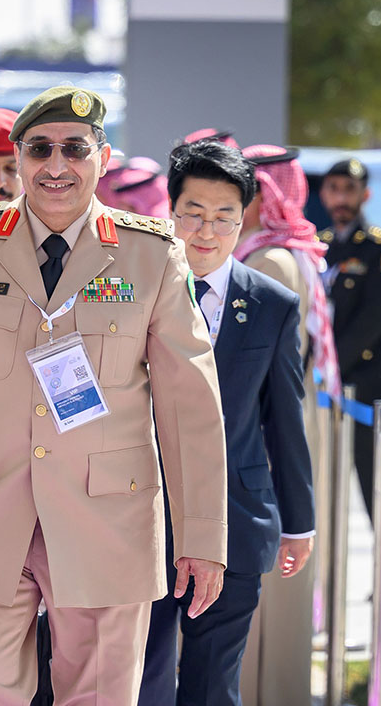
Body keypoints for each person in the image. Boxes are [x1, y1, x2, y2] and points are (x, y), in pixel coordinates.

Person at [0, 85, 228, 704]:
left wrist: (201, 537)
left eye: (75, 148)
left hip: (107, 520)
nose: (57, 166)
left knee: (97, 695)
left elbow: (189, 407)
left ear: (104, 155)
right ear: (19, 158)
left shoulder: (152, 254)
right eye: (40, 149)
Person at [138, 140, 314, 706]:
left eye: (224, 219)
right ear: (171, 211)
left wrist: (299, 523)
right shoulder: (129, 291)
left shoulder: (272, 304)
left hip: (237, 519)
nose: (206, 232)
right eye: (193, 214)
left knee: (214, 684)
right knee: (144, 675)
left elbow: (284, 420)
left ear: (245, 219)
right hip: (142, 516)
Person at [235, 144, 339, 706]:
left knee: (272, 568)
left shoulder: (269, 262)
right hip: (295, 417)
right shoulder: (292, 252)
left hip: (272, 425)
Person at [317, 157, 381, 597]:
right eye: (333, 189)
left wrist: (329, 367)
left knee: (378, 480)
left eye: (348, 190)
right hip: (326, 388)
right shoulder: (318, 246)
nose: (340, 198)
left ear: (364, 195)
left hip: (368, 383)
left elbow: (375, 318)